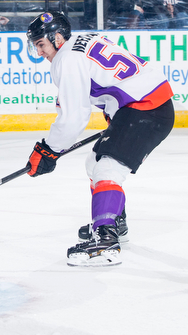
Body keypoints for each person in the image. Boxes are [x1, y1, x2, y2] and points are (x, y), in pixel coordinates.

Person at [25, 12, 174, 266]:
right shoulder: (82, 41)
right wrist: (115, 117)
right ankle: (115, 221)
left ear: (57, 38)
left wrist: (49, 150)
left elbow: (73, 117)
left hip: (146, 108)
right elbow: (116, 81)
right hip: (144, 104)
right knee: (94, 163)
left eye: (41, 44)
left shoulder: (65, 60)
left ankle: (106, 238)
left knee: (108, 168)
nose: (39, 53)